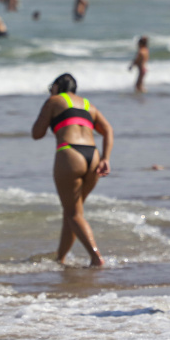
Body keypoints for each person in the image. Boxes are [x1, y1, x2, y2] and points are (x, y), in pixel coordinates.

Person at [31, 73, 113, 267]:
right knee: (73, 212)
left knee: (73, 214)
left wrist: (49, 114)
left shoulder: (54, 100)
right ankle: (61, 258)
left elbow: (37, 134)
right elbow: (108, 130)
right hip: (93, 155)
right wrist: (106, 159)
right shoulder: (88, 104)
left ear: (57, 86)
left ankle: (96, 257)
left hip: (70, 153)